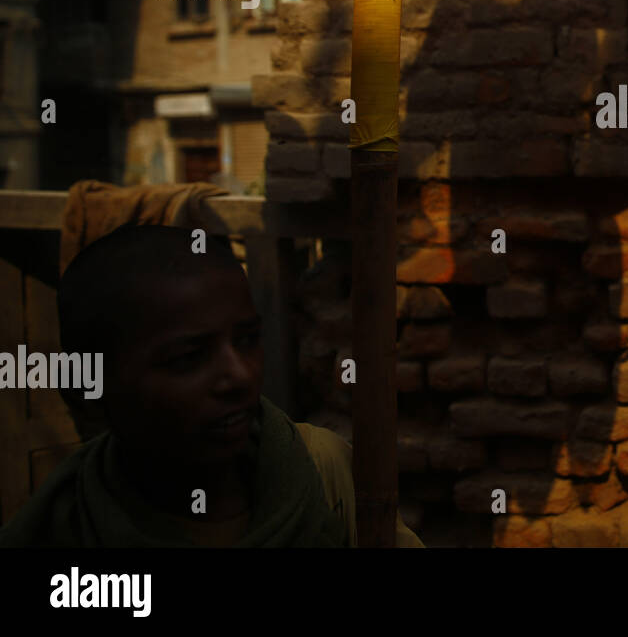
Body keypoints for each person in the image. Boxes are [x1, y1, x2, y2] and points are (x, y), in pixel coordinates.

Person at [0, 224, 422, 547]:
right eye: (188, 358)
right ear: (87, 390)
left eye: (247, 339)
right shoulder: (63, 525)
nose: (238, 376)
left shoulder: (323, 472)